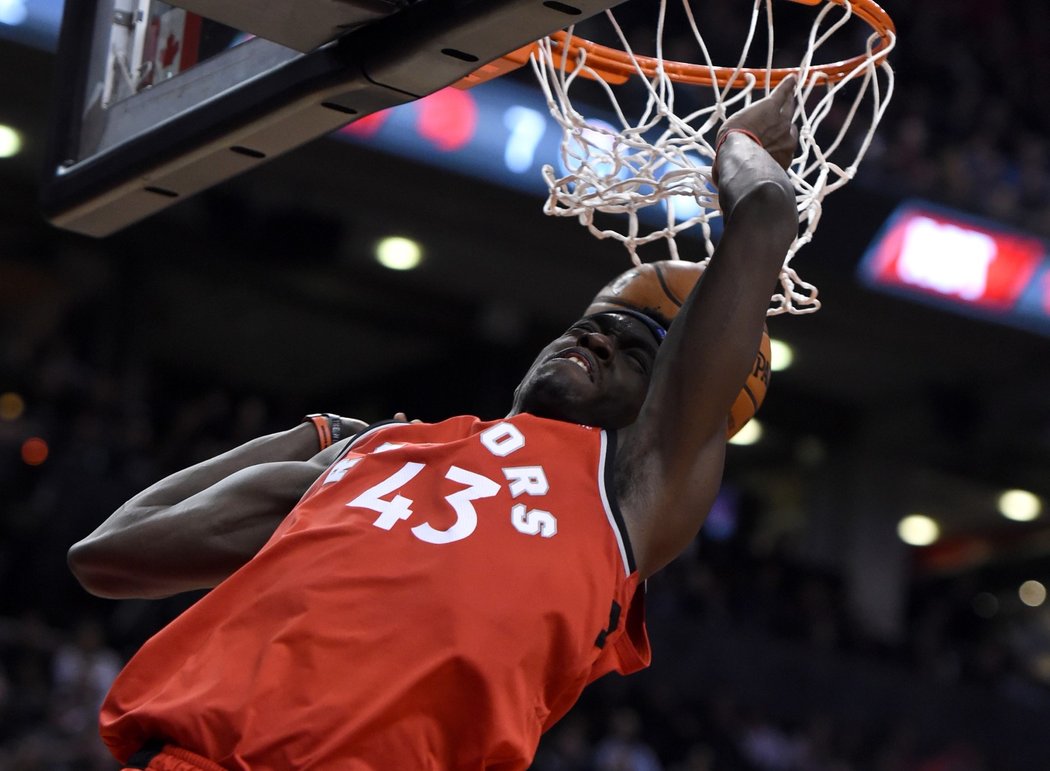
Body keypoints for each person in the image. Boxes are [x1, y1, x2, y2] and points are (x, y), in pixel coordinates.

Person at [67, 77, 800, 770]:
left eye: (637, 350)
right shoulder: (381, 451)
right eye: (596, 324)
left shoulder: (635, 490)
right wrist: (314, 439)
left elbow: (763, 214)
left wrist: (739, 145)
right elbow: (109, 553)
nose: (599, 339)